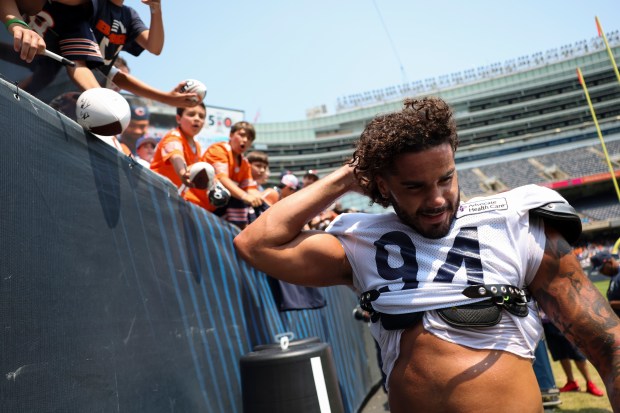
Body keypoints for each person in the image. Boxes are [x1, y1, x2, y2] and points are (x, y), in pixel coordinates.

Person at [234, 97, 620, 412]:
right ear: (382, 186)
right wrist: (349, 174)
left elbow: (606, 343)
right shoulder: (362, 243)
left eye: (445, 178)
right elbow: (255, 245)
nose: (436, 199)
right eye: (415, 186)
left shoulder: (516, 226)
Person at [201, 121, 262, 229]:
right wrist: (245, 196)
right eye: (242, 135)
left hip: (216, 211)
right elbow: (222, 179)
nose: (245, 140)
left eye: (249, 138)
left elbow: (250, 189)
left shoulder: (244, 163)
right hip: (197, 206)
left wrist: (265, 202)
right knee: (239, 201)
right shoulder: (218, 150)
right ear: (231, 135)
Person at [150, 103, 208, 208]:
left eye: (201, 116)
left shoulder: (197, 147)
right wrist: (183, 173)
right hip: (154, 195)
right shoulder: (173, 137)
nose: (197, 119)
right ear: (178, 119)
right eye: (191, 114)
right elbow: (177, 157)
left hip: (174, 200)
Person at [541, 310, 604, 396]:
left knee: (576, 353)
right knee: (560, 353)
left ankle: (590, 383)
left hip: (563, 319)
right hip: (546, 322)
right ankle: (571, 382)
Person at [591, 251, 620, 317]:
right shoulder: (615, 276)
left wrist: (610, 304)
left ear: (610, 262)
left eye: (602, 269)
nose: (601, 272)